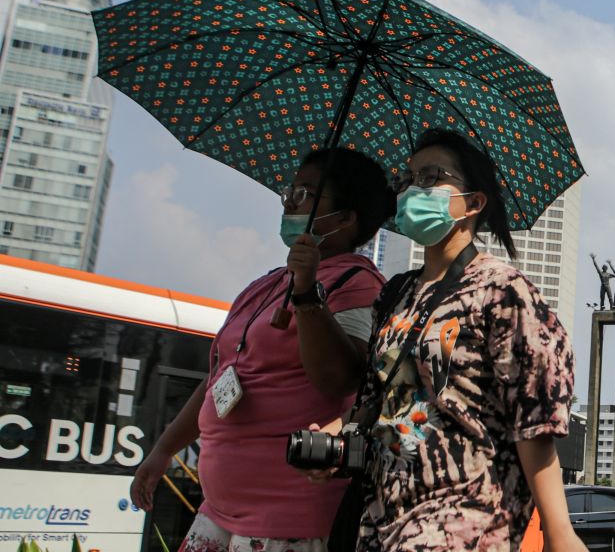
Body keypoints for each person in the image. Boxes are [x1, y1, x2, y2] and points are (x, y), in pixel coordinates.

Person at [310, 129, 584, 552]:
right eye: (406, 178)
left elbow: (534, 419)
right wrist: (334, 438)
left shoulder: (503, 290)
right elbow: (381, 398)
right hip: (380, 522)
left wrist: (559, 533)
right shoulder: (395, 293)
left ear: (473, 203)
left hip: (464, 522)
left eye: (431, 177)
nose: (412, 189)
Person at [131, 147, 394, 552]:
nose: (289, 202)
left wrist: (307, 293)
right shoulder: (266, 283)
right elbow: (221, 378)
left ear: (345, 218)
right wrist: (164, 449)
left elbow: (338, 380)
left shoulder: (357, 283)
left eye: (306, 194)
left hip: (288, 517)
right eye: (291, 191)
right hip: (218, 510)